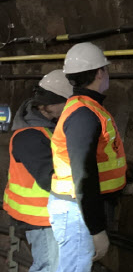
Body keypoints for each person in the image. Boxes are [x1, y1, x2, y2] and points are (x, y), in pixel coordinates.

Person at [48, 42, 133, 272]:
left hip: (78, 208)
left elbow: (99, 165)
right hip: (77, 212)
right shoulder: (84, 114)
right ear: (100, 72)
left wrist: (122, 187)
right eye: (106, 69)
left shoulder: (87, 108)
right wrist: (97, 230)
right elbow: (84, 175)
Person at [3, 69, 73, 272]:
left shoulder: (47, 129)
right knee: (49, 267)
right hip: (42, 219)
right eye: (67, 103)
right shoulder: (29, 136)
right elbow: (50, 178)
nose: (71, 109)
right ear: (50, 104)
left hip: (49, 215)